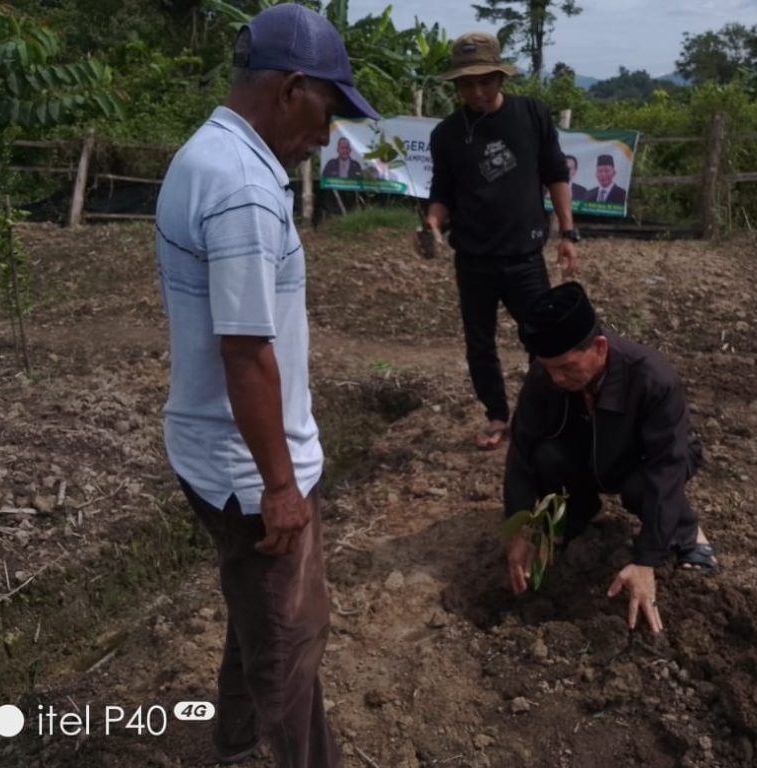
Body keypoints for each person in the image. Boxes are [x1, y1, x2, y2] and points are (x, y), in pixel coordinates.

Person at [155, 4, 378, 766]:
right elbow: (247, 352)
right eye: (329, 108)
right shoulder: (245, 189)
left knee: (256, 620)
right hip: (251, 472)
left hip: (216, 451)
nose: (328, 133)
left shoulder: (207, 154)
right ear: (290, 88)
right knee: (290, 648)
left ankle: (234, 741)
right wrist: (280, 487)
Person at [503, 282, 716, 634]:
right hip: (590, 451)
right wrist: (521, 527)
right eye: (549, 368)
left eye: (567, 368)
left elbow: (667, 467)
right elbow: (521, 452)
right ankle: (578, 517)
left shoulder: (652, 379)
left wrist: (647, 560)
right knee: (547, 455)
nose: (557, 378)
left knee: (641, 487)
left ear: (599, 348)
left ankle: (687, 531)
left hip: (644, 458)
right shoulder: (546, 377)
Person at [415, 31, 580, 450]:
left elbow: (556, 174)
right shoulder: (447, 135)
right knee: (480, 342)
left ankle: (540, 412)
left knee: (542, 337)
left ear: (500, 78)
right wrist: (432, 223)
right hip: (472, 258)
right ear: (455, 86)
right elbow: (442, 193)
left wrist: (567, 233)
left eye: (485, 80)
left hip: (524, 255)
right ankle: (497, 415)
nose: (477, 91)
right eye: (467, 84)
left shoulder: (531, 116)